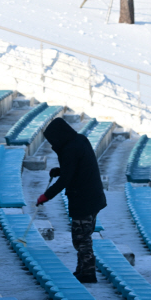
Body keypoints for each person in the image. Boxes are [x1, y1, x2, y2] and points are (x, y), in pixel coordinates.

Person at [36, 118, 107, 284]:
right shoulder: (79, 140)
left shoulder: (70, 149)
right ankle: (81, 270)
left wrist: (46, 195)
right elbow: (79, 166)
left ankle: (88, 273)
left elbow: (66, 179)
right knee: (83, 236)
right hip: (93, 196)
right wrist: (61, 170)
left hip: (84, 199)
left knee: (81, 238)